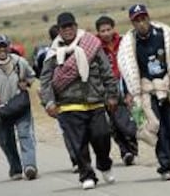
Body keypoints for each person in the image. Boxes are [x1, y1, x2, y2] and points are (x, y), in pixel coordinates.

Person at [40, 12, 118, 190]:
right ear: (59, 30)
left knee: (102, 137)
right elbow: (45, 80)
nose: (68, 30)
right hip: (69, 105)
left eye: (70, 26)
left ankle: (104, 165)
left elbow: (107, 72)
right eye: (63, 27)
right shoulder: (53, 52)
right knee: (78, 144)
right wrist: (49, 103)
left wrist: (112, 95)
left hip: (95, 101)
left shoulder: (91, 44)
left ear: (76, 26)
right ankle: (86, 175)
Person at [117, 4, 170, 180]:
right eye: (137, 20)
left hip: (167, 87)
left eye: (144, 18)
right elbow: (126, 71)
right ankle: (165, 166)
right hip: (146, 91)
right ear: (132, 23)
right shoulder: (129, 44)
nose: (141, 23)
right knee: (157, 129)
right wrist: (127, 93)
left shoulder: (164, 35)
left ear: (148, 18)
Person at [0, 35, 38, 180]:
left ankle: (30, 166)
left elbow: (32, 75)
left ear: (9, 46)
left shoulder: (19, 62)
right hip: (1, 111)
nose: (2, 49)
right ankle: (15, 168)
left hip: (20, 106)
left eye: (4, 46)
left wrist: (26, 83)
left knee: (25, 135)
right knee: (6, 140)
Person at [33, 24, 90, 173]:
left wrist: (47, 99)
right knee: (74, 129)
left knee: (68, 130)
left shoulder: (44, 54)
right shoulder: (75, 49)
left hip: (57, 98)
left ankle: (77, 160)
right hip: (67, 97)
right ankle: (81, 159)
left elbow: (41, 77)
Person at [95, 15, 138, 165]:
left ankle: (132, 146)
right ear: (98, 32)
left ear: (114, 29)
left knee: (129, 119)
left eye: (108, 29)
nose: (106, 33)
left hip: (126, 83)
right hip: (107, 88)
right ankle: (125, 151)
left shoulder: (124, 42)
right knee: (113, 123)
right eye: (102, 31)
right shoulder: (95, 47)